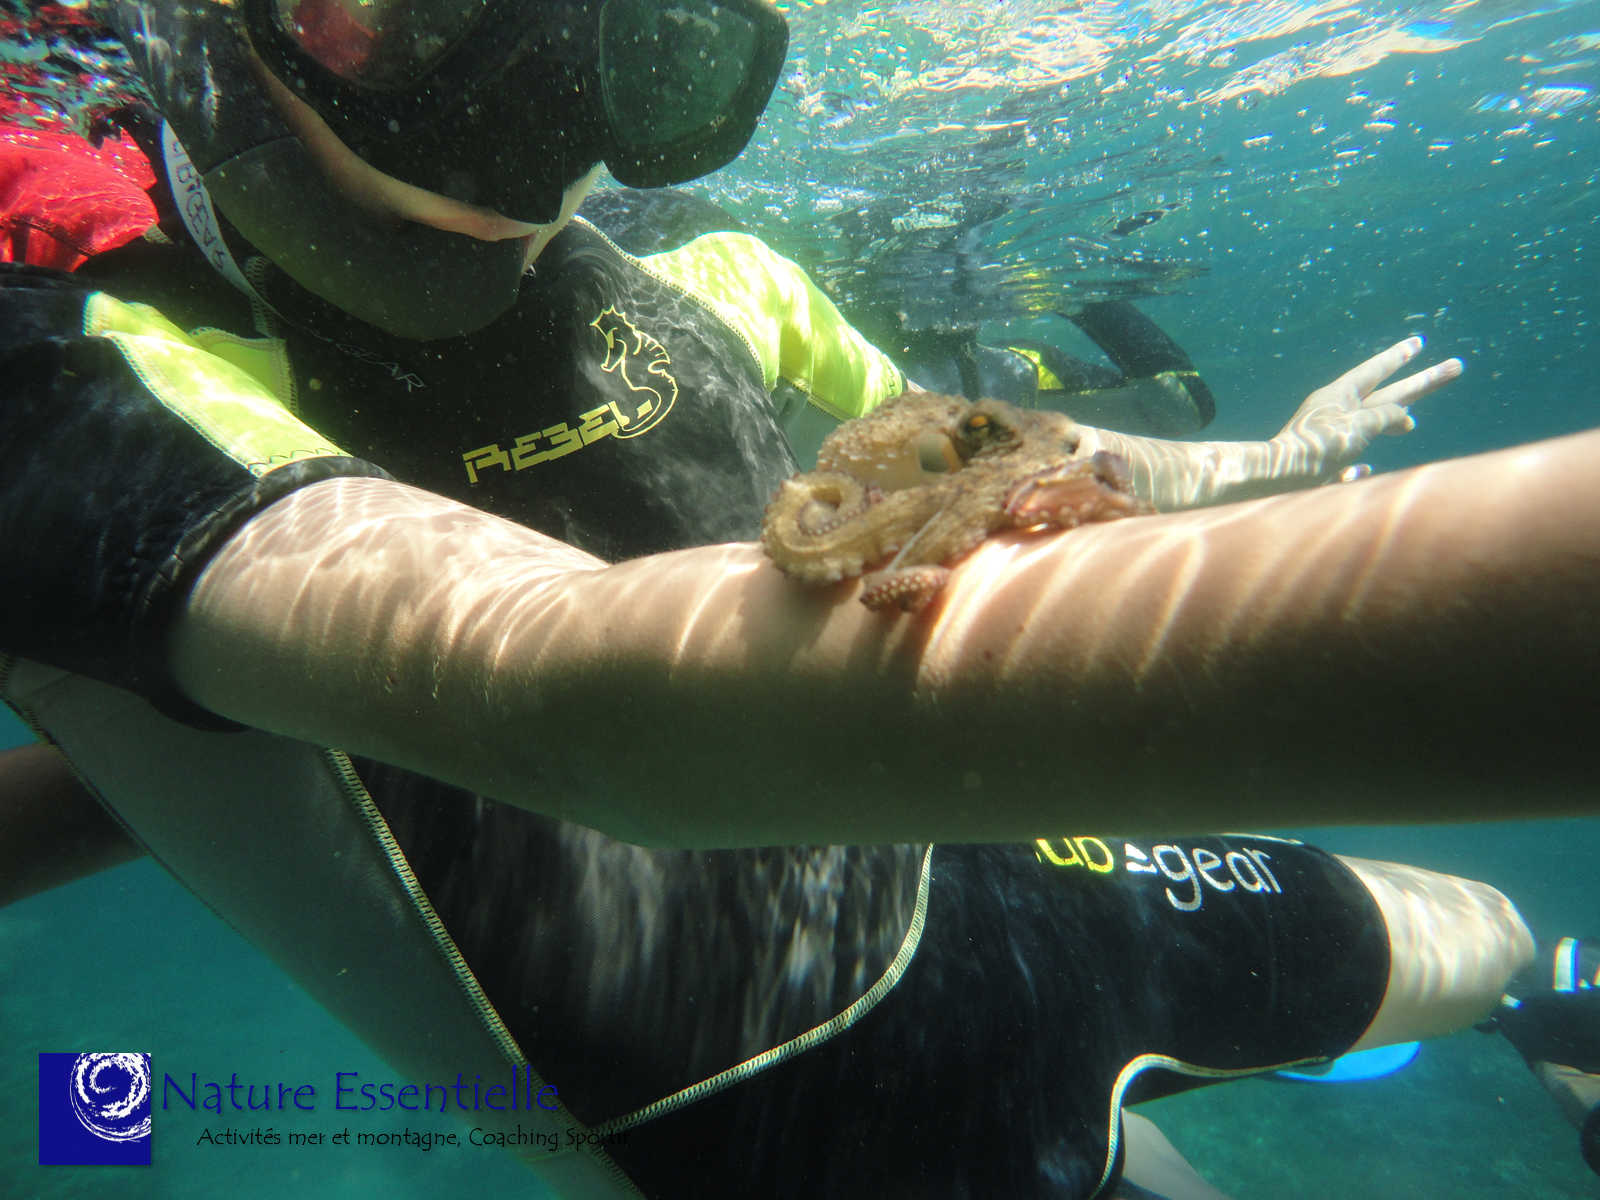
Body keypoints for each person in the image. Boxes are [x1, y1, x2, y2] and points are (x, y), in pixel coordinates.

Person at [3, 1, 1599, 1196]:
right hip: (791, 1125)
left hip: (1010, 881)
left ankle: (1548, 1025)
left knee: (1505, 938)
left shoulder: (706, 268)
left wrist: (1278, 457)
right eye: (413, 10)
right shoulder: (70, 369)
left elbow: (999, 456)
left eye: (637, 36)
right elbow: (558, 689)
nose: (533, 112)